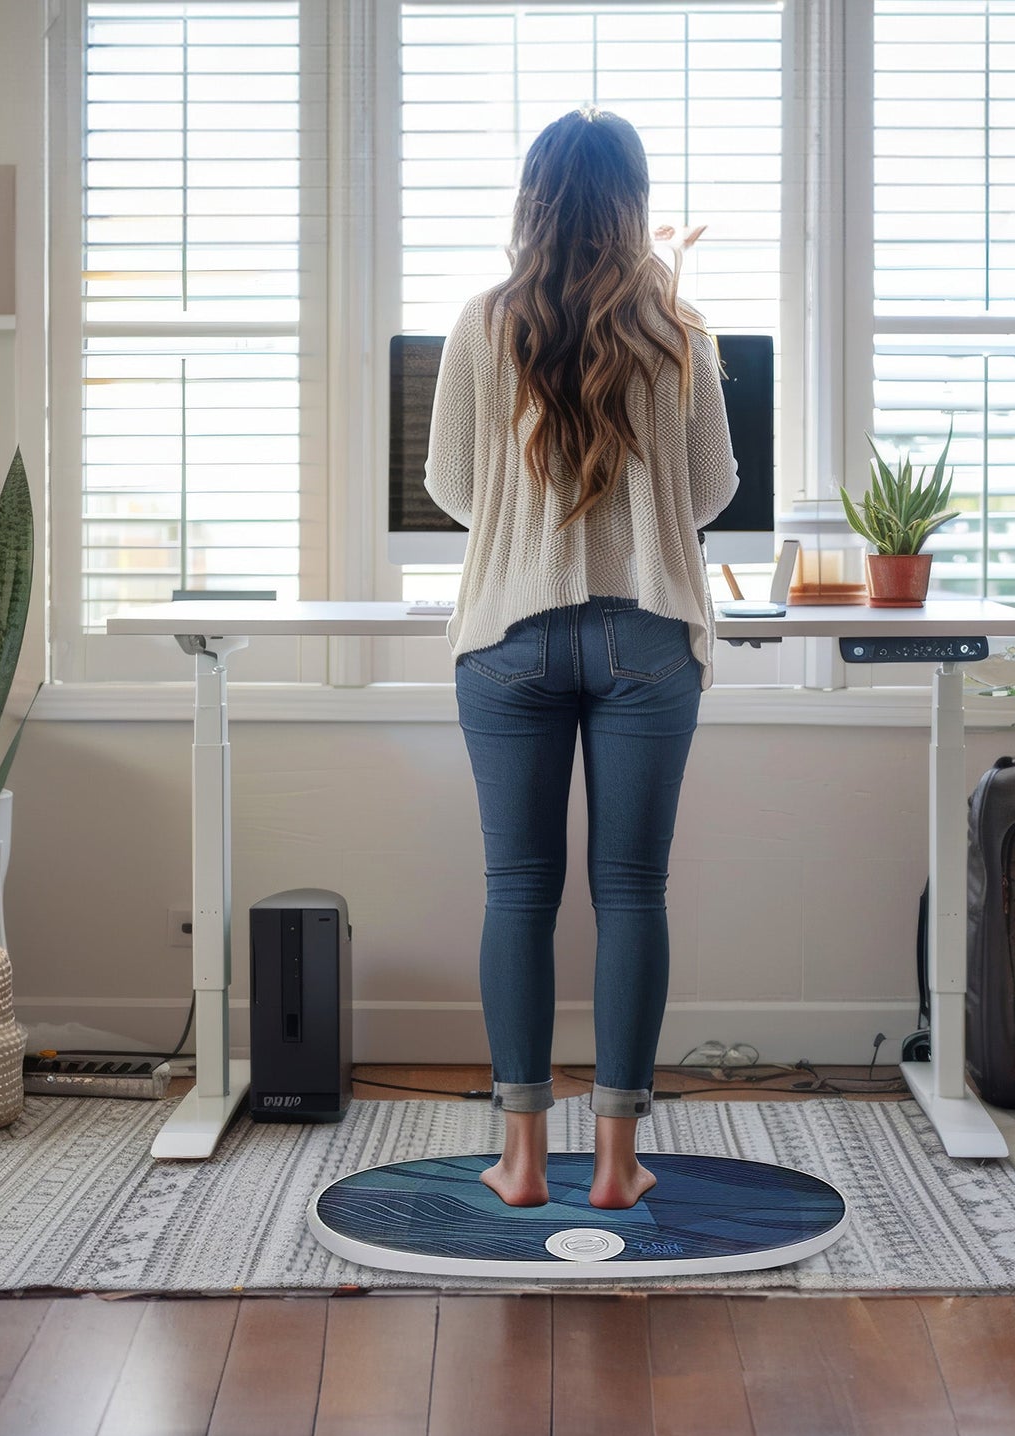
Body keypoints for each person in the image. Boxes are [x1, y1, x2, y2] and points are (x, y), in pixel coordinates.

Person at [423, 108, 739, 1210]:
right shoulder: (679, 330)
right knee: (630, 889)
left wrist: (533, 521)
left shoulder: (479, 323)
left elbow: (453, 488)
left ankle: (518, 1159)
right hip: (645, 631)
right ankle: (613, 1161)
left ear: (533, 200)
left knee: (517, 889)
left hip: (507, 632)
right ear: (632, 203)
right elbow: (707, 496)